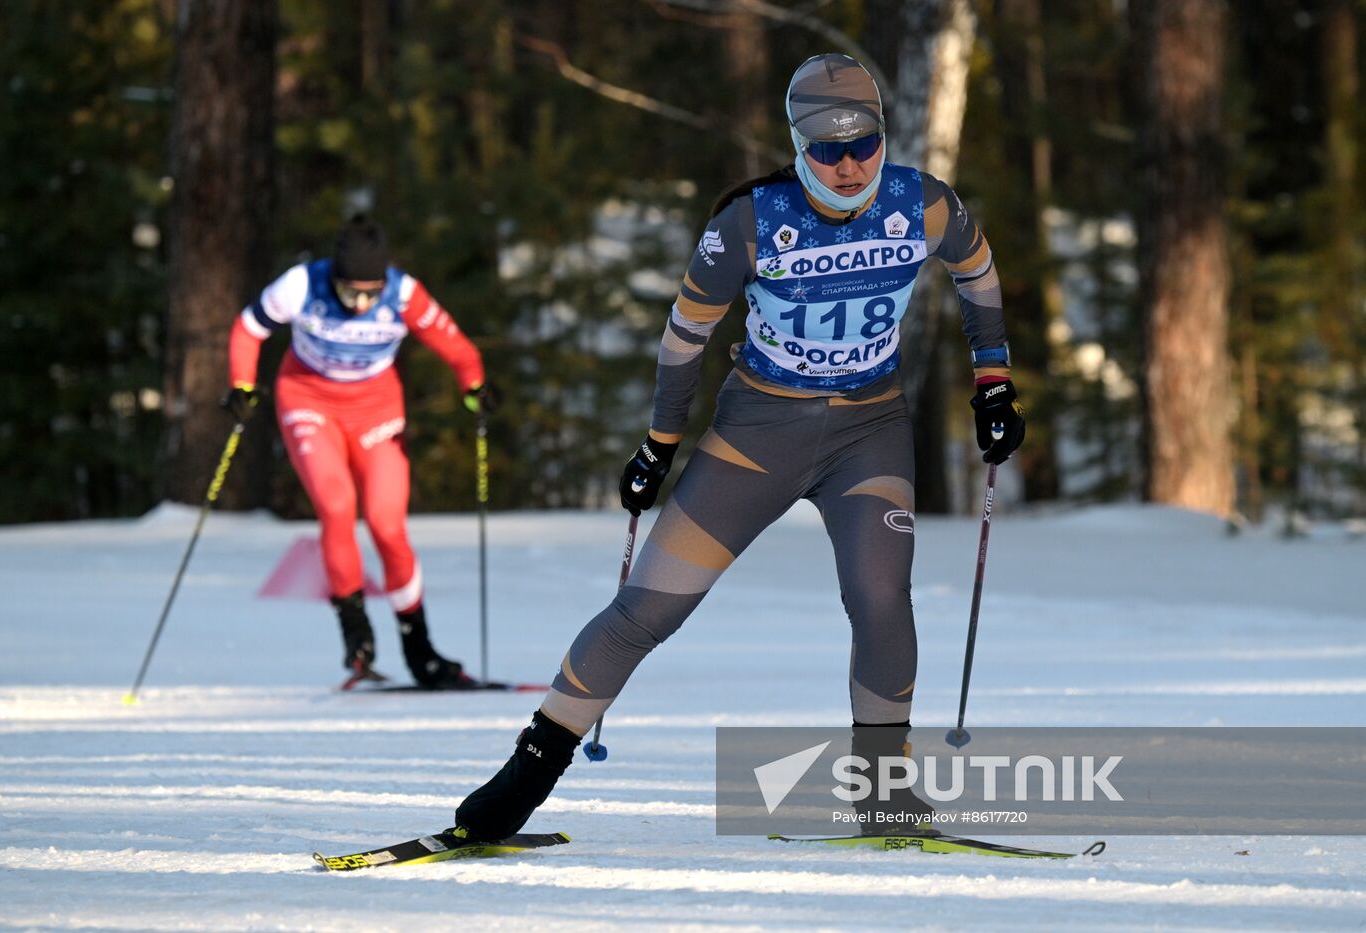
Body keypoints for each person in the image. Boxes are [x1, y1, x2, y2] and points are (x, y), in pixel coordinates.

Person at [450, 53, 1026, 840]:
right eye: (827, 148)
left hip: (869, 432)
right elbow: (685, 339)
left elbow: (979, 272)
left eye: (863, 142)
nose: (849, 164)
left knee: (881, 600)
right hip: (758, 436)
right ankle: (522, 781)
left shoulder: (924, 204)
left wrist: (992, 381)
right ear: (797, 146)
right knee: (646, 611)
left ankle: (882, 794)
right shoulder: (751, 221)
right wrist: (658, 443)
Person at [224, 215, 498, 687]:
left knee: (388, 525)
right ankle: (357, 637)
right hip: (308, 399)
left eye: (371, 293)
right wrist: (243, 385)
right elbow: (248, 329)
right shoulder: (301, 284)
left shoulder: (404, 293)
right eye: (352, 293)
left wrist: (474, 386)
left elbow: (456, 348)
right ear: (335, 278)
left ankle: (420, 649)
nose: (362, 303)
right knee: (335, 506)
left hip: (375, 407)